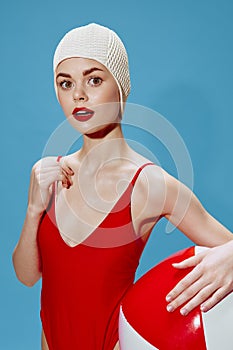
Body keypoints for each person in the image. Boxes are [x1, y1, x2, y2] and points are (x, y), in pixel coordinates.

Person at [12, 23, 233, 350]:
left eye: (94, 79)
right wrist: (33, 211)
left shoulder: (149, 183)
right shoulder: (52, 173)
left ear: (121, 86)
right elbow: (28, 276)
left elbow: (228, 248)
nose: (79, 95)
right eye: (65, 83)